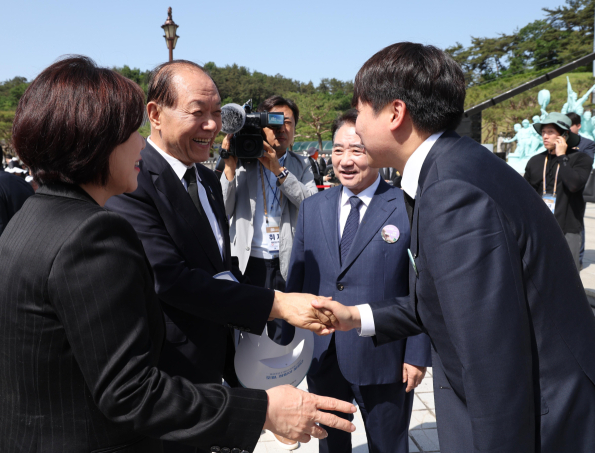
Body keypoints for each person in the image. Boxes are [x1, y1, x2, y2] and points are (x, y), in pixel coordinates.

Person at [0, 56, 356, 453]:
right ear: (93, 142)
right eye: (129, 132)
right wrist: (262, 410)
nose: (139, 143)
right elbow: (129, 390)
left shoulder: (34, 217)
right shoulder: (90, 232)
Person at [313, 42, 595, 453]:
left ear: (394, 113)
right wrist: (356, 316)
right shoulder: (456, 165)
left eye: (361, 111)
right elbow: (448, 299)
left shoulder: (450, 192)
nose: (355, 126)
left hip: (538, 420)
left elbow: (491, 361)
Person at [104, 60, 351, 453]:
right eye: (198, 113)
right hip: (170, 381)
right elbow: (170, 279)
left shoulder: (203, 178)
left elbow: (220, 267)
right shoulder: (132, 181)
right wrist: (276, 304)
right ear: (155, 113)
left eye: (218, 114)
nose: (212, 125)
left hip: (221, 370)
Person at [287, 109, 431, 453]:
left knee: (388, 444)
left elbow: (422, 287)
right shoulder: (313, 207)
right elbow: (298, 278)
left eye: (357, 150)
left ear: (377, 152)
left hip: (385, 356)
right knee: (330, 444)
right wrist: (286, 344)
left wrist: (417, 353)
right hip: (324, 354)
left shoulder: (406, 206)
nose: (345, 161)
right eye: (338, 150)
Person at [220, 95, 317, 449]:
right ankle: (247, 408)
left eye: (288, 123)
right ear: (261, 126)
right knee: (244, 334)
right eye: (275, 123)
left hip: (285, 261)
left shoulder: (302, 164)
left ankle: (282, 413)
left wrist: (278, 169)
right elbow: (222, 209)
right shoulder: (243, 162)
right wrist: (229, 166)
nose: (282, 130)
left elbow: (311, 205)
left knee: (282, 336)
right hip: (249, 261)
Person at [523, 112, 593, 271]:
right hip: (539, 228)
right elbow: (525, 195)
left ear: (564, 135)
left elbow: (574, 185)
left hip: (568, 230)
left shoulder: (580, 159)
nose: (545, 136)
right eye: (543, 132)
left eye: (550, 132)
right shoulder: (535, 161)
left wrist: (562, 156)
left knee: (568, 279)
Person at [566, 111, 595, 269]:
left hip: (578, 191)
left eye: (571, 125)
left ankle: (578, 258)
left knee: (576, 223)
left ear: (578, 126)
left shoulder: (587, 144)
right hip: (559, 191)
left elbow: (588, 162)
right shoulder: (559, 141)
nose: (568, 129)